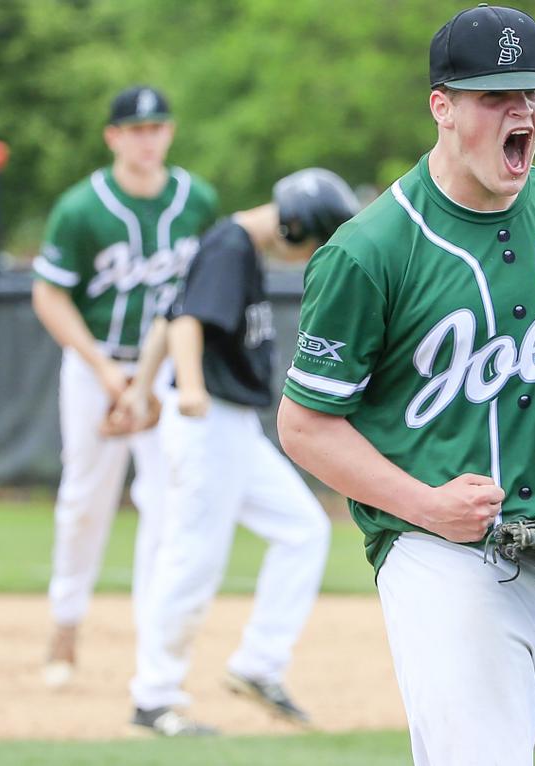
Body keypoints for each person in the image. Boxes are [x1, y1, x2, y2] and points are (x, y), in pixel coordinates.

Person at [277, 6, 535, 765]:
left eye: (532, 92)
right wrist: (426, 505)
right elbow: (305, 425)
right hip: (442, 556)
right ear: (443, 107)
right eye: (496, 95)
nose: (521, 109)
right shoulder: (369, 252)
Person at [113, 169, 360, 736]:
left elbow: (168, 313)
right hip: (209, 423)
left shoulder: (234, 245)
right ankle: (153, 698)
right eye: (315, 240)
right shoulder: (230, 245)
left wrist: (140, 389)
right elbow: (189, 324)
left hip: (230, 428)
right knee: (193, 557)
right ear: (296, 224)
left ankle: (259, 663)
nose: (309, 254)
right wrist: (190, 388)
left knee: (303, 529)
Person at [31, 85, 218, 688]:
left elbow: (206, 290)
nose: (147, 137)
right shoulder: (82, 208)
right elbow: (49, 293)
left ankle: (153, 649)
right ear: (113, 136)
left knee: (167, 505)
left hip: (164, 370)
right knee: (86, 497)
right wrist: (105, 371)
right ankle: (65, 623)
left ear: (170, 132)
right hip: (97, 366)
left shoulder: (198, 201)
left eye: (157, 127)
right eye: (135, 129)